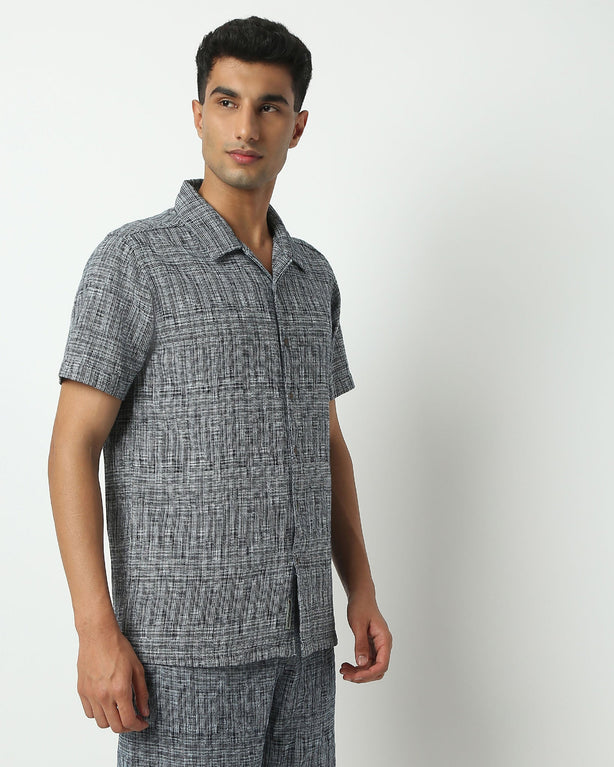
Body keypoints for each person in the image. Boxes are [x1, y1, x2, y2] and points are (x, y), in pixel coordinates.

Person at [47, 15, 392, 767]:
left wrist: (359, 588)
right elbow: (72, 444)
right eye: (227, 101)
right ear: (198, 114)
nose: (246, 126)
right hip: (184, 654)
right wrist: (94, 631)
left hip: (304, 648)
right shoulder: (134, 262)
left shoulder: (312, 276)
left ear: (297, 126)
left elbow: (325, 441)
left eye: (269, 106)